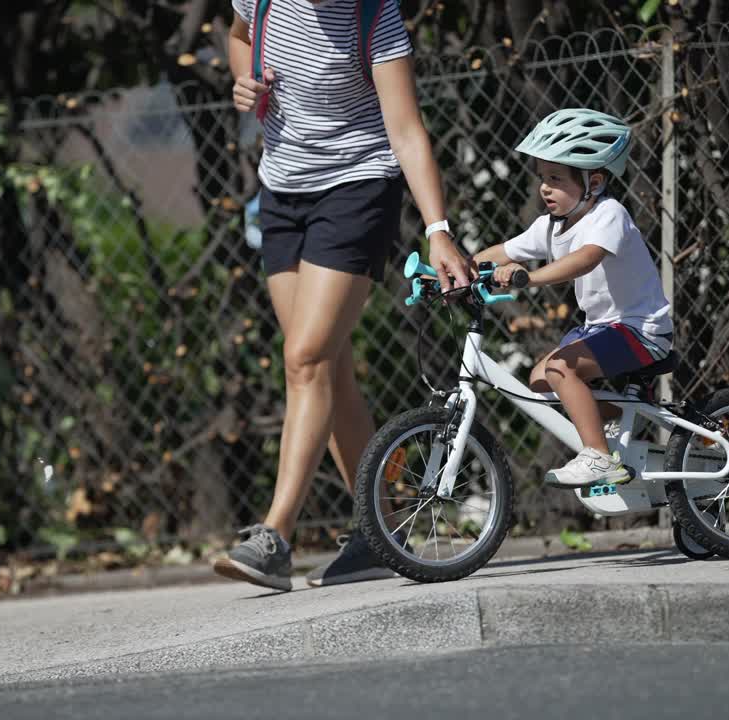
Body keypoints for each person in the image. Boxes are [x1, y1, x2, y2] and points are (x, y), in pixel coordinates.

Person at [211, 0, 475, 592]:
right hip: (282, 192)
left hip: (357, 190)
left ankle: (275, 536)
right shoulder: (263, 1)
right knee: (329, 368)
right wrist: (244, 81)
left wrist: (437, 230)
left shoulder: (374, 17)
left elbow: (406, 132)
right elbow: (237, 35)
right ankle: (378, 535)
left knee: (305, 359)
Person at [475, 108, 673, 488]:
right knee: (539, 383)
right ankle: (624, 417)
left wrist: (527, 278)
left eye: (555, 178)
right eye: (541, 178)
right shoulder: (551, 225)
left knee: (561, 369)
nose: (544, 188)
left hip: (641, 329)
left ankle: (599, 456)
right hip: (602, 328)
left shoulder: (608, 215)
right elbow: (504, 251)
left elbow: (584, 260)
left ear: (594, 182)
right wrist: (458, 268)